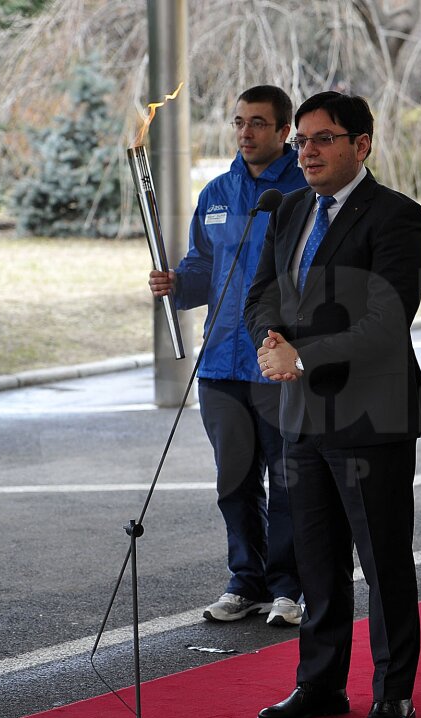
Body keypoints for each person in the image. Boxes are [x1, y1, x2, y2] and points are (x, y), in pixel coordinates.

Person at [244, 91, 421, 718]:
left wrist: (304, 355)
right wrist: (271, 343)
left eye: (323, 139)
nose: (307, 151)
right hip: (300, 415)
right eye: (301, 140)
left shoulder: (397, 217)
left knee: (384, 563)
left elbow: (386, 321)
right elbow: (263, 294)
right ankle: (320, 683)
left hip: (371, 417)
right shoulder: (289, 208)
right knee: (318, 562)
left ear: (362, 144)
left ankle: (394, 695)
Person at [149, 85, 307, 626]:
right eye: (239, 122)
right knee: (234, 481)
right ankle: (245, 580)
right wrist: (176, 282)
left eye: (259, 123)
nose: (246, 132)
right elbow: (203, 266)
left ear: (285, 131)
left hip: (274, 361)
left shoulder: (304, 192)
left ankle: (289, 587)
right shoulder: (216, 192)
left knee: (287, 480)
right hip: (219, 363)